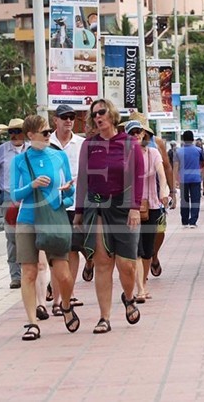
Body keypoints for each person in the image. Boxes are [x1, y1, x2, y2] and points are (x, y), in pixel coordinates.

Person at [74, 99, 144, 334]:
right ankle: (104, 317)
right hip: (98, 207)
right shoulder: (89, 145)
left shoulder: (129, 143)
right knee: (103, 263)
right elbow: (83, 179)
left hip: (124, 207)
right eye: (94, 114)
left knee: (127, 265)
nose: (98, 117)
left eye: (102, 112)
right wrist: (79, 212)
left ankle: (129, 297)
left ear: (111, 114)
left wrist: (135, 207)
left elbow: (138, 176)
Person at [10, 115, 79, 340]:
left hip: (53, 218)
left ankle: (66, 305)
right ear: (31, 136)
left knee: (63, 273)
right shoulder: (19, 161)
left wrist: (65, 196)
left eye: (50, 131)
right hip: (28, 219)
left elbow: (70, 193)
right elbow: (14, 195)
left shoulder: (58, 156)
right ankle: (32, 322)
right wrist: (32, 185)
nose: (50, 135)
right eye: (45, 132)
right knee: (29, 272)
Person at [124, 111, 174, 278]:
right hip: (133, 200)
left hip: (155, 196)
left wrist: (169, 190)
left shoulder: (156, 145)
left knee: (157, 232)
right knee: (136, 243)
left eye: (139, 131)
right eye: (132, 132)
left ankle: (154, 255)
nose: (136, 135)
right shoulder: (125, 150)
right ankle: (140, 276)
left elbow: (165, 168)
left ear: (144, 131)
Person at [49, 104, 88, 314]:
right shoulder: (47, 143)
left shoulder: (81, 144)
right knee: (56, 252)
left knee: (72, 250)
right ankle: (56, 298)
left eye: (72, 117)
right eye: (64, 117)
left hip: (75, 204)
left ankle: (68, 294)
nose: (68, 121)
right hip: (52, 205)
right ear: (55, 120)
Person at [0, 118, 27, 289]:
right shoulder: (1, 151)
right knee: (12, 237)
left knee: (30, 234)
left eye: (18, 131)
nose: (14, 135)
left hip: (29, 196)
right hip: (8, 196)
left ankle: (31, 270)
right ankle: (16, 276)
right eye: (11, 132)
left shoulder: (31, 149)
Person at [173, 130, 204, 228]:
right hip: (195, 178)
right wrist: (201, 175)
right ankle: (193, 221)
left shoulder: (178, 151)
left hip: (183, 179)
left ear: (183, 139)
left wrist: (175, 180)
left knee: (184, 200)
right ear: (193, 139)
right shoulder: (198, 150)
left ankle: (185, 221)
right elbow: (203, 164)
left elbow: (176, 167)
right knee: (195, 200)